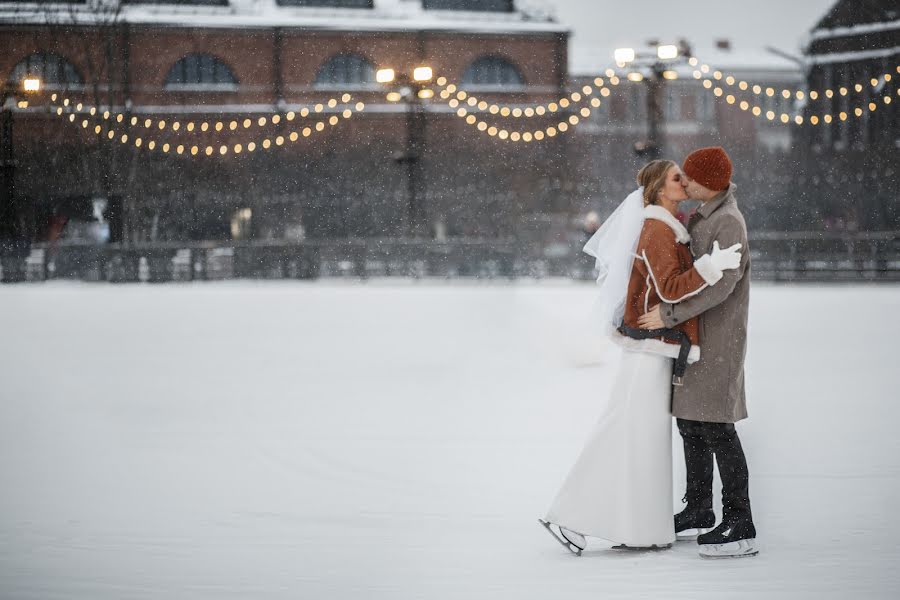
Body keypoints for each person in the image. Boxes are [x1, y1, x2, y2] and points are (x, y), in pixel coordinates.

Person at [539, 159, 743, 555]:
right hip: (647, 350)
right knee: (625, 429)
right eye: (675, 177)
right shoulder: (657, 230)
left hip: (656, 347)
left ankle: (633, 525)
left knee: (641, 438)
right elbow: (668, 288)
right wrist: (710, 267)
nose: (683, 181)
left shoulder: (669, 228)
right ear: (658, 190)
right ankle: (570, 515)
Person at [638, 147, 758, 559]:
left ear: (708, 182)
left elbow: (721, 285)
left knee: (718, 427)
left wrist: (670, 313)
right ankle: (699, 507)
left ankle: (740, 520)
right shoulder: (704, 215)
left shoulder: (727, 221)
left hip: (719, 339)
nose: (684, 182)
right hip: (695, 338)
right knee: (690, 423)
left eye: (690, 177)